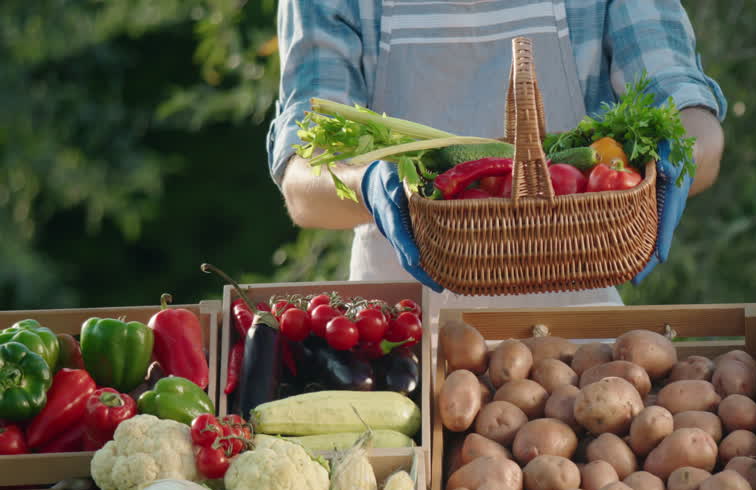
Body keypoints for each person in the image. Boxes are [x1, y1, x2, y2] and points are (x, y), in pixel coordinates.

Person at [267, 1, 726, 310]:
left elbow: (683, 106)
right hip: (401, 321)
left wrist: (683, 156)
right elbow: (304, 183)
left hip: (576, 324)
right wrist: (365, 186)